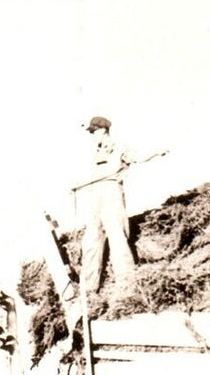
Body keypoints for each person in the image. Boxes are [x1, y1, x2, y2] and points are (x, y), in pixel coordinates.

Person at [72, 116, 168, 300]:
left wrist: (157, 151)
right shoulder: (95, 152)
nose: (92, 136)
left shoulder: (118, 146)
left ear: (102, 130)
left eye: (94, 132)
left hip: (111, 192)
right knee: (91, 240)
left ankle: (127, 287)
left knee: (117, 238)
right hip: (94, 194)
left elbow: (137, 156)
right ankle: (89, 291)